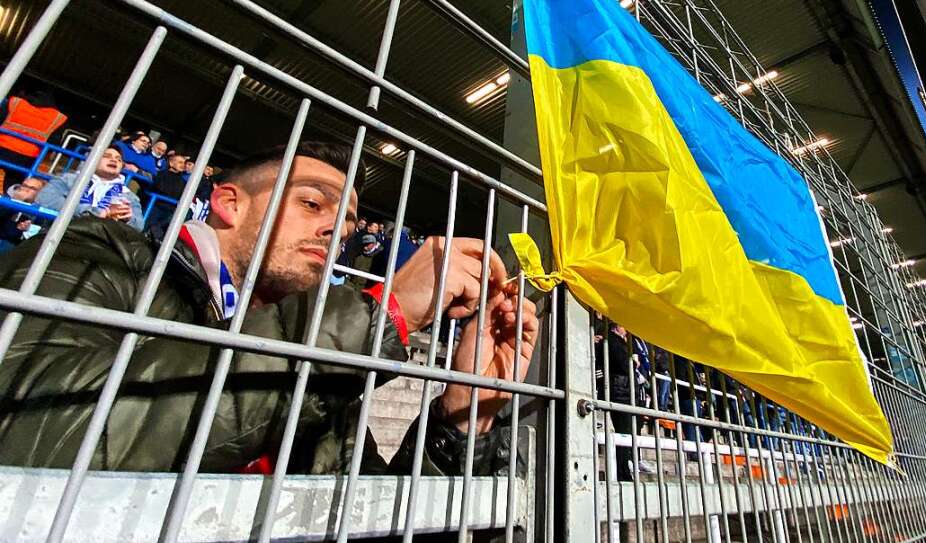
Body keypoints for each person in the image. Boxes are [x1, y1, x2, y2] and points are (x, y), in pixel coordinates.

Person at [0, 141, 538, 474]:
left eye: (347, 223)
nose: (337, 230)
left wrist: (463, 414)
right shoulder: (101, 255)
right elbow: (38, 433)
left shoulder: (316, 365)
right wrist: (385, 312)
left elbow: (368, 515)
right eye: (311, 203)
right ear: (229, 203)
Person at [34, 145, 144, 231]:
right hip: (60, 232)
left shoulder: (129, 196)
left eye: (119, 159)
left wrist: (128, 219)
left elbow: (139, 226)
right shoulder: (68, 179)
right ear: (92, 159)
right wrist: (99, 213)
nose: (114, 160)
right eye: (106, 156)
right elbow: (45, 198)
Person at [0, 89, 67, 189]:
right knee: (14, 183)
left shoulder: (14, 103)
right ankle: (10, 199)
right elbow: (54, 142)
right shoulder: (58, 117)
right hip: (27, 157)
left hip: (2, 147)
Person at [595, 324, 637, 481]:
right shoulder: (612, 341)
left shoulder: (618, 342)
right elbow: (623, 365)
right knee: (623, 433)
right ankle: (622, 472)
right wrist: (632, 362)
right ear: (617, 327)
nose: (627, 330)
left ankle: (624, 469)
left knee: (625, 433)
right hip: (619, 392)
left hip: (622, 390)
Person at [146, 152, 189, 238]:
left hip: (171, 209)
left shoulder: (184, 182)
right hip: (157, 205)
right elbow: (158, 188)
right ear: (171, 163)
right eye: (180, 162)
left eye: (184, 163)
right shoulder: (160, 174)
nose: (183, 165)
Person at [0, 177, 46, 251]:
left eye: (32, 188)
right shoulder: (6, 199)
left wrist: (26, 229)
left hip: (14, 246)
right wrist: (15, 202)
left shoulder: (40, 212)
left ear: (40, 193)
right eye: (24, 185)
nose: (25, 189)